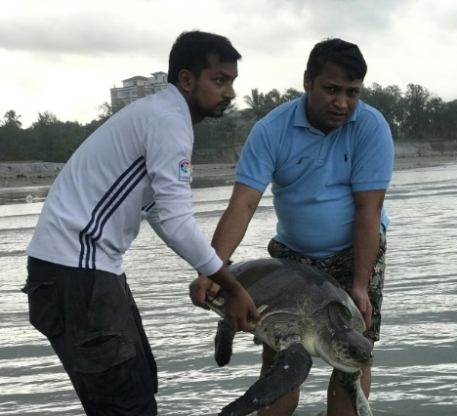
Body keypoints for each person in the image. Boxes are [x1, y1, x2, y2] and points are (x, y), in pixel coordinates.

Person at [22, 30, 261, 416]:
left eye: (232, 82)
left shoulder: (160, 115)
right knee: (127, 404)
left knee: (137, 386)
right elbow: (179, 222)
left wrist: (214, 272)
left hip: (76, 271)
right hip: (78, 272)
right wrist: (232, 288)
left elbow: (159, 214)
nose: (230, 93)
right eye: (219, 80)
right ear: (186, 79)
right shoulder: (169, 122)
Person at [190, 38, 394, 416]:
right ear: (307, 81)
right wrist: (212, 268)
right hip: (293, 258)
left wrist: (360, 287)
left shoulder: (370, 127)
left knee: (354, 354)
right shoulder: (271, 130)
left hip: (356, 252)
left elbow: (369, 210)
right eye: (331, 89)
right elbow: (244, 203)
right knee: (282, 356)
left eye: (352, 92)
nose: (342, 103)